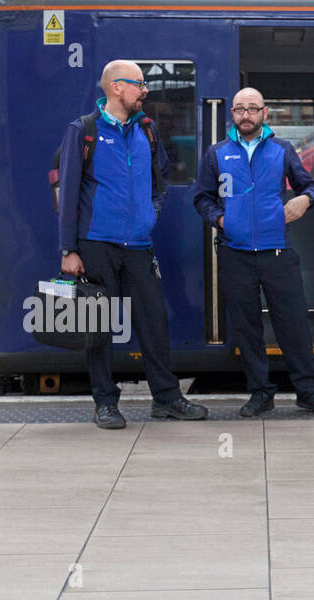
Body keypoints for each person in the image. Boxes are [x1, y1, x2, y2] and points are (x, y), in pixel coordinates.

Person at [57, 60, 208, 429]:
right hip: (95, 244)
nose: (145, 91)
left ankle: (167, 398)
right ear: (115, 87)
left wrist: (150, 215)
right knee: (98, 327)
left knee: (153, 321)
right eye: (139, 85)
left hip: (138, 244)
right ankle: (105, 403)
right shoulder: (84, 131)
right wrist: (68, 250)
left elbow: (160, 182)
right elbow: (68, 191)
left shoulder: (147, 130)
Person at [192, 87, 314, 419]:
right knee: (247, 328)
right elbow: (202, 197)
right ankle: (261, 393)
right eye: (240, 109)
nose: (246, 115)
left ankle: (309, 392)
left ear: (265, 113)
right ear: (232, 114)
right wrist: (220, 219)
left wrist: (305, 200)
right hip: (235, 254)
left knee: (293, 326)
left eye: (252, 109)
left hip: (278, 253)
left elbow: (310, 186)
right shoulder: (216, 154)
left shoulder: (282, 150)